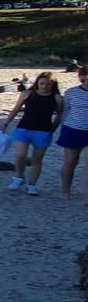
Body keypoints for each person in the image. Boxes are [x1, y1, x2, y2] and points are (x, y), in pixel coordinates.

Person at [1, 72, 63, 196]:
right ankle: (19, 177)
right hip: (23, 129)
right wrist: (5, 123)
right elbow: (16, 109)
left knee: (37, 159)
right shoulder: (27, 94)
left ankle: (32, 184)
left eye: (48, 84)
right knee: (20, 155)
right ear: (37, 83)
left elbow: (59, 115)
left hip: (44, 131)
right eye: (42, 83)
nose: (45, 86)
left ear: (53, 85)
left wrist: (53, 129)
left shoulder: (57, 98)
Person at [57, 64, 88, 201]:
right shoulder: (71, 92)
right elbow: (66, 112)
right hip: (73, 129)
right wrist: (63, 128)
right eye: (83, 79)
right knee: (70, 162)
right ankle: (66, 191)